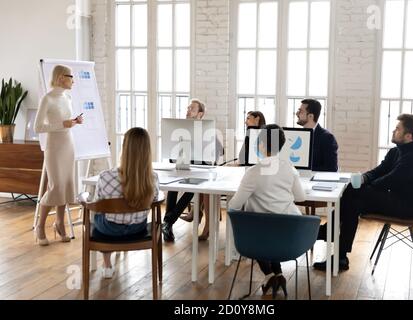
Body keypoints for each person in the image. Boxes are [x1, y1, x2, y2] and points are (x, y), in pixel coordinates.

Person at [313, 114, 413, 271]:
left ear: (408, 136)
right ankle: (339, 255)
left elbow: (389, 181)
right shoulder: (397, 152)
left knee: (352, 194)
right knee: (353, 198)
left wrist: (362, 187)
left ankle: (328, 236)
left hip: (407, 207)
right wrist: (363, 178)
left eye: (398, 129)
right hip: (396, 199)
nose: (393, 131)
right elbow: (379, 171)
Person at [229, 124, 306, 298]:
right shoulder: (290, 169)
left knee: (259, 227)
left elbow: (235, 204)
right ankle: (277, 275)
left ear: (262, 145)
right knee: (273, 224)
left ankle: (270, 275)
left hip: (259, 239)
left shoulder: (254, 172)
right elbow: (300, 197)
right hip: (288, 238)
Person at [93, 127, 160, 278]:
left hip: (108, 231)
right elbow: (155, 199)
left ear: (124, 147)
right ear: (147, 151)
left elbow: (97, 202)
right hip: (138, 230)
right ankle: (109, 262)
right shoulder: (153, 178)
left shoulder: (105, 177)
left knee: (99, 216)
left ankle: (107, 264)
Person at [34, 65, 84, 246]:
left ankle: (60, 224)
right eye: (71, 76)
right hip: (54, 147)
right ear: (62, 77)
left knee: (66, 185)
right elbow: (38, 127)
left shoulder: (67, 97)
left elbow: (65, 123)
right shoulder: (47, 99)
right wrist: (62, 124)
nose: (73, 80)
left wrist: (74, 122)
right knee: (55, 187)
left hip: (68, 145)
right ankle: (40, 226)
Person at [162, 99, 223, 242]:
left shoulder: (208, 131)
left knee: (191, 188)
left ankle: (168, 222)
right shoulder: (178, 130)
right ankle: (168, 224)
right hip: (181, 167)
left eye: (192, 108)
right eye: (188, 108)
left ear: (200, 114)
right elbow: (171, 152)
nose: (188, 110)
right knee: (172, 187)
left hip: (198, 172)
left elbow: (218, 152)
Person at [296, 99, 338, 172]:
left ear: (311, 116)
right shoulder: (297, 136)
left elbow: (331, 169)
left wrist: (305, 170)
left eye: (301, 111)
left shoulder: (327, 138)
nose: (297, 114)